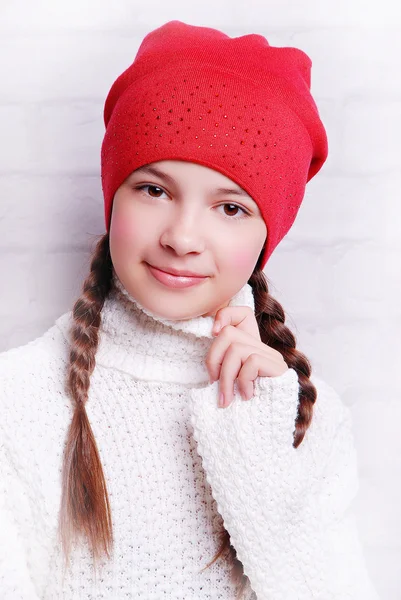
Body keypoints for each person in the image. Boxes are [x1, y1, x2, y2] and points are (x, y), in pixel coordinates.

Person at [0, 19, 381, 600]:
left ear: (265, 236)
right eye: (154, 190)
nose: (182, 236)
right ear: (113, 195)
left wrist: (259, 441)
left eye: (230, 208)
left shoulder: (302, 415)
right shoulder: (18, 399)